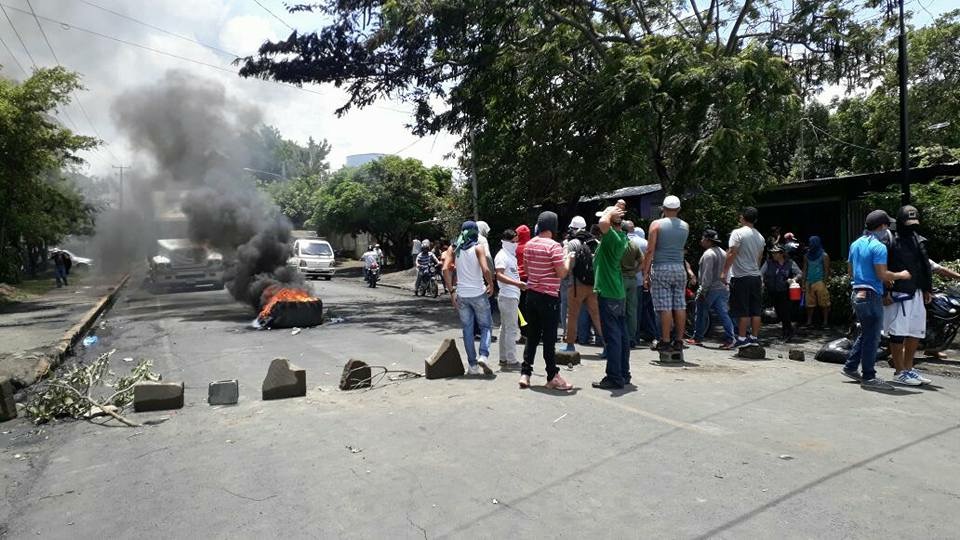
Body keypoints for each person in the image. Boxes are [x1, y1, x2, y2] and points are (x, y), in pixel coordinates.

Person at [843, 210, 911, 390]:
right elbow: (882, 274)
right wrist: (901, 275)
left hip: (857, 292)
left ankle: (850, 367)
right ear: (882, 226)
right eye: (887, 225)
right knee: (873, 337)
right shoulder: (879, 247)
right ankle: (869, 376)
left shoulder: (856, 243)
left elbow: (851, 271)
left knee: (867, 333)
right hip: (871, 294)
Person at [519, 211, 573, 391]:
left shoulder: (529, 244)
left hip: (531, 295)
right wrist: (568, 258)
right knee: (549, 339)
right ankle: (552, 376)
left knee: (532, 336)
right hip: (549, 297)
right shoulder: (554, 246)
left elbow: (526, 269)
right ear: (553, 226)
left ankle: (525, 373)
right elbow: (562, 273)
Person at [884, 205, 934, 386]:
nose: (911, 226)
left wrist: (928, 289)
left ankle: (909, 368)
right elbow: (883, 268)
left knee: (915, 332)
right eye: (908, 222)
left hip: (917, 292)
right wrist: (885, 291)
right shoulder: (891, 240)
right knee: (898, 333)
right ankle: (899, 372)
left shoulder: (917, 239)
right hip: (899, 293)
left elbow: (925, 266)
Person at [442, 222, 495, 376]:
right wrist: (491, 284)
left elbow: (445, 269)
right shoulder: (478, 247)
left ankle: (472, 366)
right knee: (486, 327)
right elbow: (485, 269)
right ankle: (483, 356)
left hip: (462, 295)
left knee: (467, 330)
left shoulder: (454, 248)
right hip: (478, 293)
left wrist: (451, 291)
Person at [642, 195, 690, 354]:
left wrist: (645, 273)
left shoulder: (656, 225)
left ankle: (665, 340)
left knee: (665, 306)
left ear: (663, 208)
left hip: (662, 267)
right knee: (680, 304)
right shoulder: (685, 226)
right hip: (679, 268)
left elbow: (650, 250)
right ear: (678, 209)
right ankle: (679, 340)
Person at [591, 202, 631, 389]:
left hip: (609, 294)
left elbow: (603, 224)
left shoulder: (613, 238)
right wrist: (615, 209)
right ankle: (623, 373)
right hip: (616, 293)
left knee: (613, 337)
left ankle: (615, 376)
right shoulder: (618, 237)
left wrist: (609, 213)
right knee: (621, 336)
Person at [722, 207, 766, 348]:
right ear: (756, 220)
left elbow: (732, 253)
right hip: (755, 276)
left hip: (741, 276)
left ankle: (741, 338)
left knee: (743, 309)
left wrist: (724, 271)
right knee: (756, 309)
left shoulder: (737, 233)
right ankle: (754, 338)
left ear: (742, 217)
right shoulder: (760, 237)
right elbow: (759, 258)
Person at [687, 230, 736, 348]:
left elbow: (707, 275)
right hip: (723, 288)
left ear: (708, 240)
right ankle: (731, 338)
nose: (701, 240)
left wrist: (702, 290)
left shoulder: (709, 254)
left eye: (703, 238)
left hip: (710, 289)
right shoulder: (723, 252)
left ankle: (697, 337)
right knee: (723, 313)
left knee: (700, 312)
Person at [562, 217, 603, 352]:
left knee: (572, 315)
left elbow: (567, 264)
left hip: (575, 284)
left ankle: (570, 345)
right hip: (593, 284)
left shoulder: (572, 243)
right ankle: (607, 345)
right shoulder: (595, 241)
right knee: (597, 315)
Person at [495, 229, 526, 370]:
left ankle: (503, 358)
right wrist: (517, 284)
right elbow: (499, 275)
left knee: (505, 329)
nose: (516, 243)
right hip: (508, 296)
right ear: (507, 242)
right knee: (511, 329)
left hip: (511, 296)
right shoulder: (502, 256)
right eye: (513, 241)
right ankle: (511, 360)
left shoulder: (509, 256)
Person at [761, 245, 802, 342]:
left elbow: (800, 273)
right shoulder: (768, 263)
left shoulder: (790, 263)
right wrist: (762, 281)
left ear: (782, 254)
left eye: (776, 252)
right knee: (779, 313)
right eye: (773, 252)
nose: (773, 254)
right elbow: (761, 273)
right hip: (773, 291)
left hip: (785, 291)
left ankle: (787, 333)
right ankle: (788, 331)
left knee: (785, 313)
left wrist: (793, 279)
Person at [559, 217, 586, 341]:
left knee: (566, 306)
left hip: (568, 279)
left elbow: (565, 261)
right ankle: (581, 333)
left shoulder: (567, 243)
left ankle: (567, 333)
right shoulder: (588, 242)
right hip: (583, 279)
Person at [621, 221, 643, 348]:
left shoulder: (618, 244)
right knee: (632, 310)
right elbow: (642, 261)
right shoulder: (633, 245)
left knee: (620, 309)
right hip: (632, 279)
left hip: (620, 279)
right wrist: (635, 271)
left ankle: (622, 337)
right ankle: (631, 338)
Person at [803, 236, 832, 327]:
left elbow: (826, 270)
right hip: (809, 282)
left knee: (824, 303)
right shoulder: (806, 256)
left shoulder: (824, 255)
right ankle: (809, 321)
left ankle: (825, 322)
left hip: (820, 281)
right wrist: (803, 282)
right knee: (809, 304)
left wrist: (824, 282)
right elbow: (805, 270)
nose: (811, 244)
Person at [515, 224, 532, 343]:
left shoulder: (515, 247)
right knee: (531, 307)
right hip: (531, 279)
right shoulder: (532, 246)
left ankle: (524, 333)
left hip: (518, 280)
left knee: (520, 308)